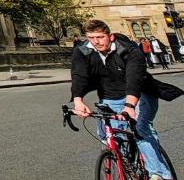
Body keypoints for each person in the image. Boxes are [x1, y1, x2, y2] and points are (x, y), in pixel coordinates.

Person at [71, 19, 178, 180]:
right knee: (108, 136)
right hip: (110, 96)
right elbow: (79, 75)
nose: (95, 42)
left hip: (140, 94)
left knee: (141, 130)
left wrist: (129, 106)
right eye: (91, 38)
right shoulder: (83, 51)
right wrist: (78, 100)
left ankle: (159, 174)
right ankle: (126, 163)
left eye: (100, 37)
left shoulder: (129, 50)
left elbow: (135, 78)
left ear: (111, 36)